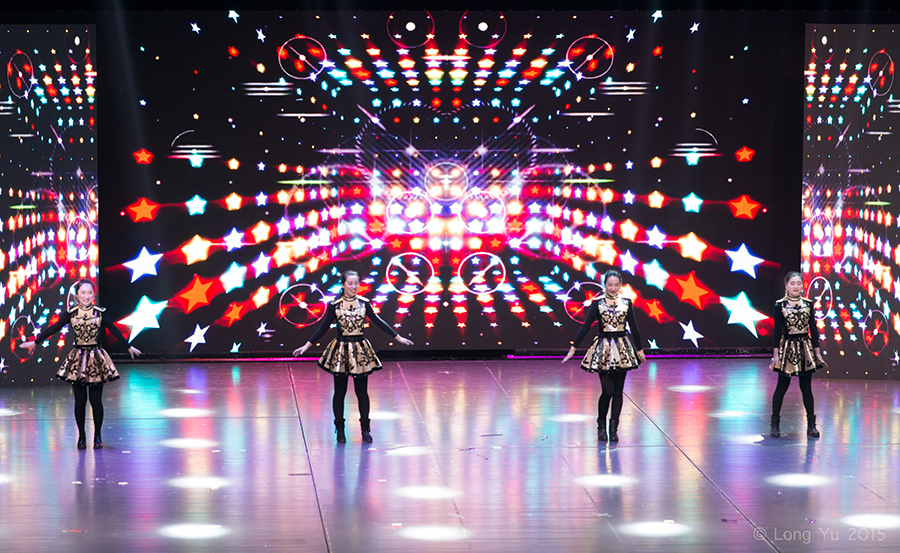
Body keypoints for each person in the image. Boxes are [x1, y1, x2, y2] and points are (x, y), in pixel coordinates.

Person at [293, 270, 413, 443]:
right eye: (350, 283)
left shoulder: (364, 304)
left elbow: (378, 322)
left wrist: (398, 337)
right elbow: (323, 327)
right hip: (341, 350)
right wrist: (307, 345)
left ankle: (365, 429)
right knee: (339, 392)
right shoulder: (335, 305)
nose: (354, 286)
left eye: (356, 283)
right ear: (343, 285)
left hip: (359, 350)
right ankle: (340, 430)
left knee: (362, 392)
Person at [20, 280, 141, 449]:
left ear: (93, 294)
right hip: (78, 359)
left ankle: (97, 436)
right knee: (80, 401)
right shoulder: (71, 312)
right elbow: (54, 328)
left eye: (89, 292)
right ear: (77, 295)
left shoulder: (100, 312)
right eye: (83, 293)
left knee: (96, 401)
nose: (86, 296)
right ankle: (82, 437)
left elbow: (113, 329)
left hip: (96, 359)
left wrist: (128, 346)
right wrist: (35, 342)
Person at [562, 269, 645, 442]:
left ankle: (613, 429)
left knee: (618, 391)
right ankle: (601, 426)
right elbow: (585, 326)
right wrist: (574, 347)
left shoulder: (627, 302)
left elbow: (634, 327)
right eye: (610, 285)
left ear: (620, 285)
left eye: (616, 285)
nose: (613, 288)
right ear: (604, 285)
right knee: (607, 391)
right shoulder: (597, 303)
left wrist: (639, 349)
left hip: (622, 349)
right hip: (604, 349)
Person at [769, 271, 826, 438]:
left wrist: (817, 351)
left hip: (805, 347)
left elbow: (813, 328)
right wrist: (776, 355)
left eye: (798, 283)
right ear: (786, 285)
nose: (795, 286)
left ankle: (811, 425)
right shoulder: (780, 305)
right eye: (792, 283)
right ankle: (774, 424)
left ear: (802, 285)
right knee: (782, 386)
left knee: (806, 387)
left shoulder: (808, 304)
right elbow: (777, 330)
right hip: (787, 347)